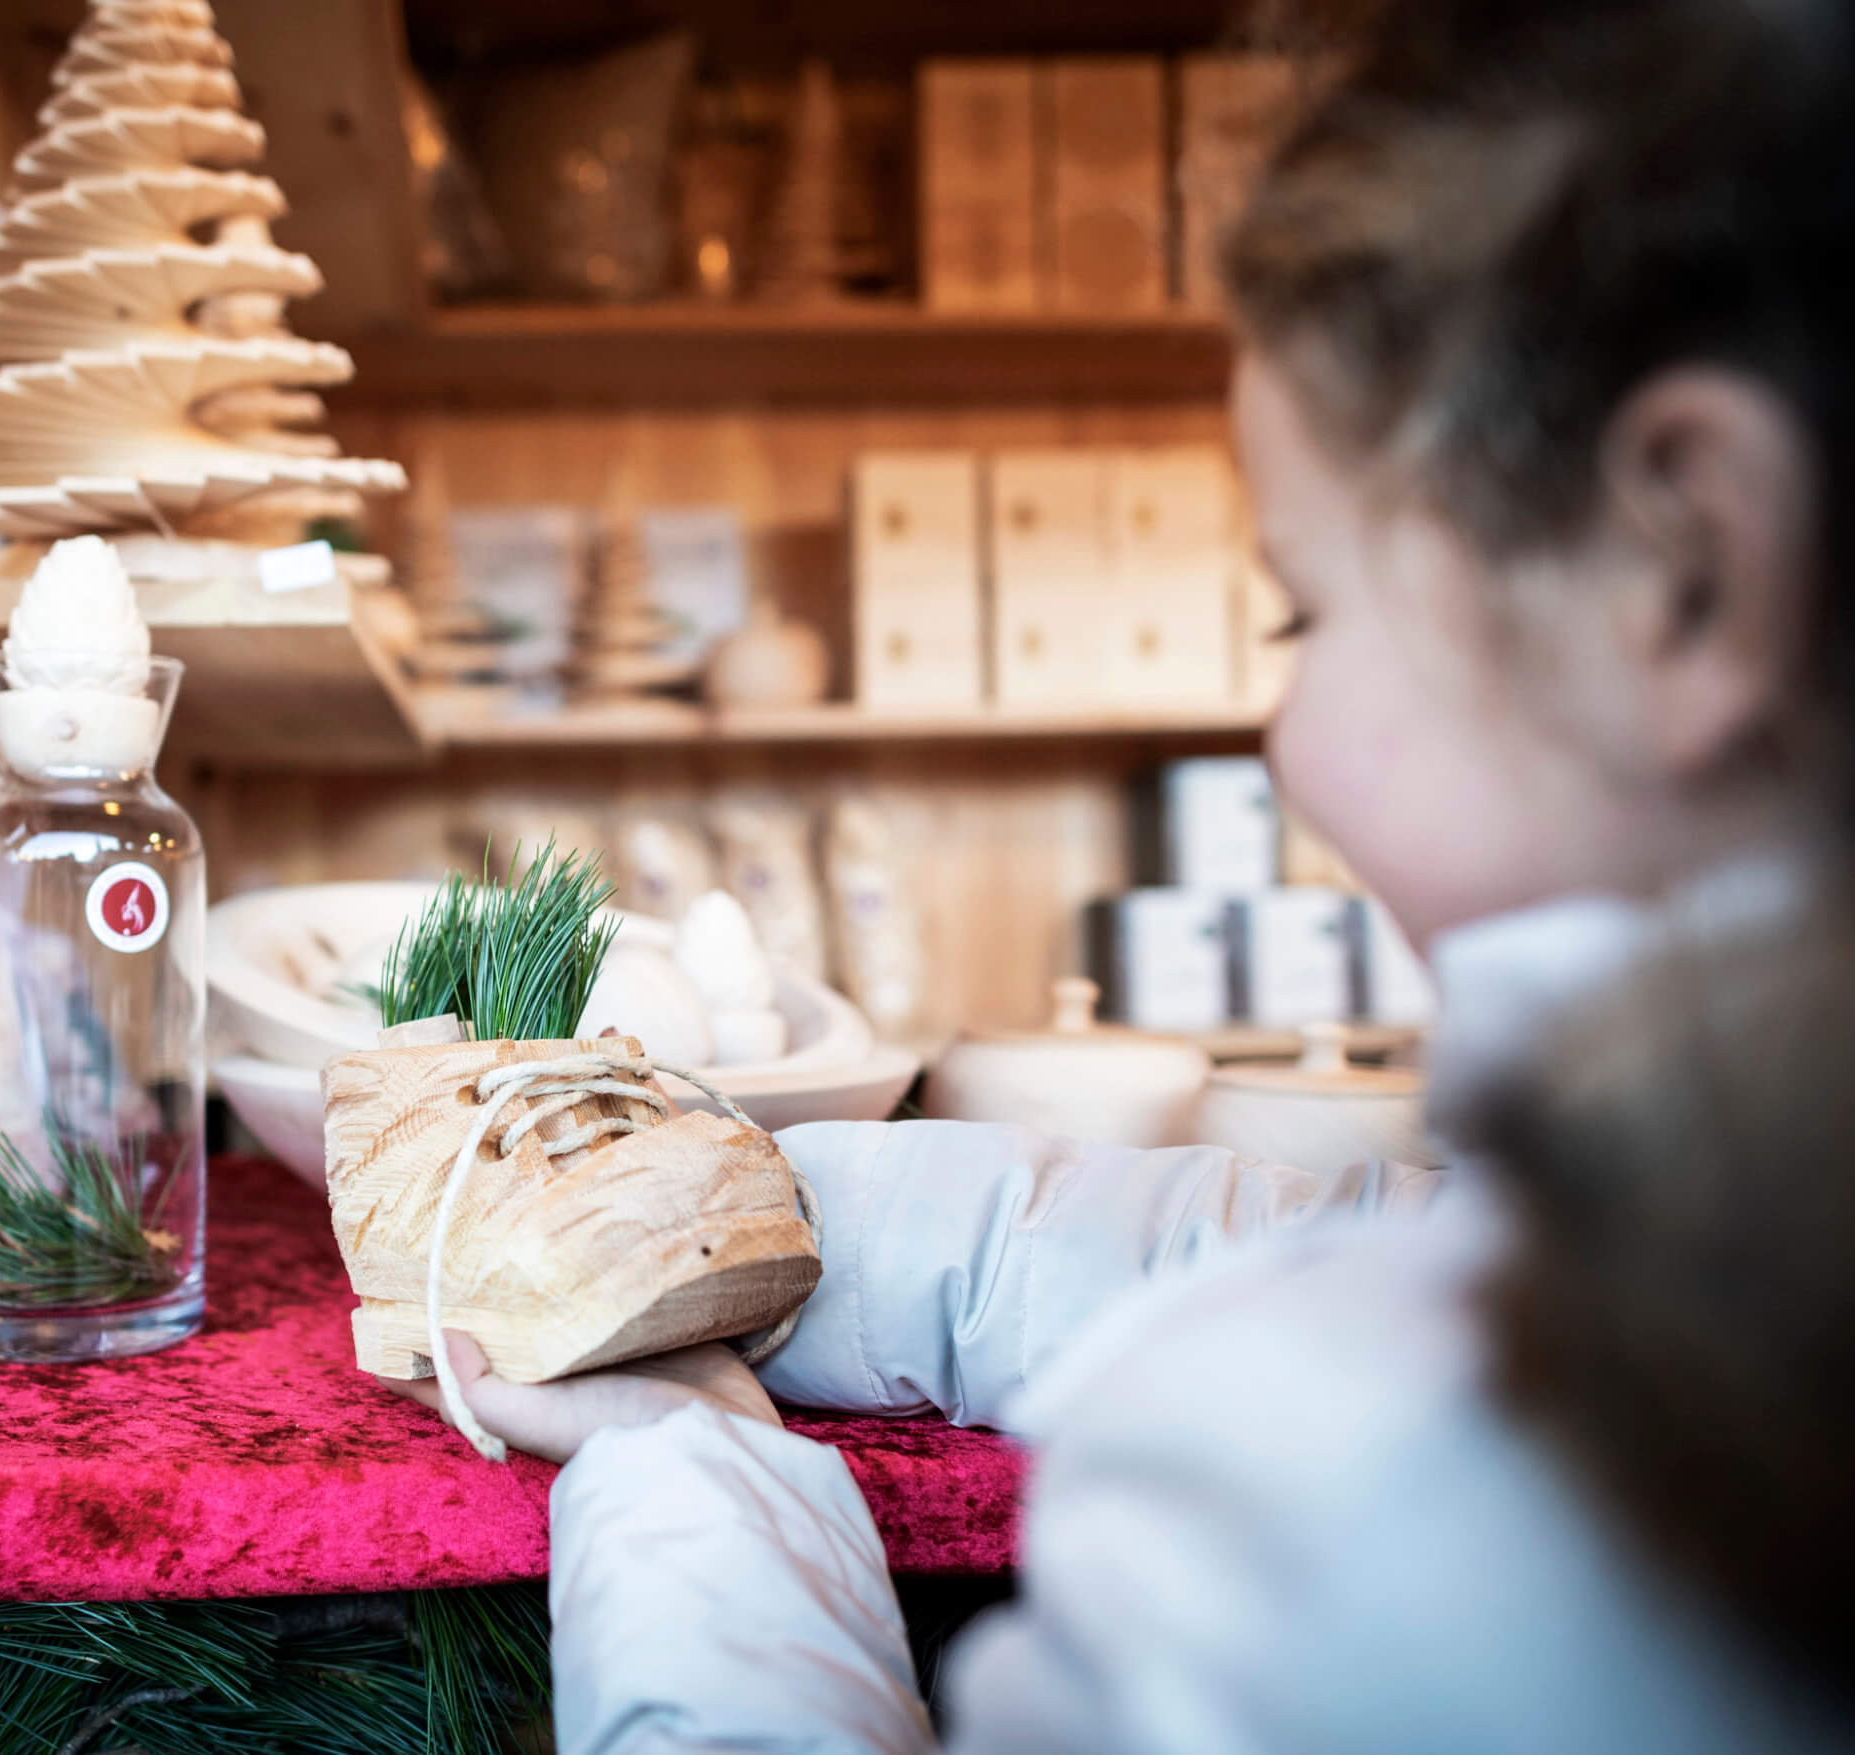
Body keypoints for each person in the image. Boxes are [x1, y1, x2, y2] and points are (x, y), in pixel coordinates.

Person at [388, 0, 1855, 1747]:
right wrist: (758, 1219)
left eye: (1306, 610)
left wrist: (694, 1471)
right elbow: (1352, 1236)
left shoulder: (1356, 1506)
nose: (1279, 740)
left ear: (1684, 567)